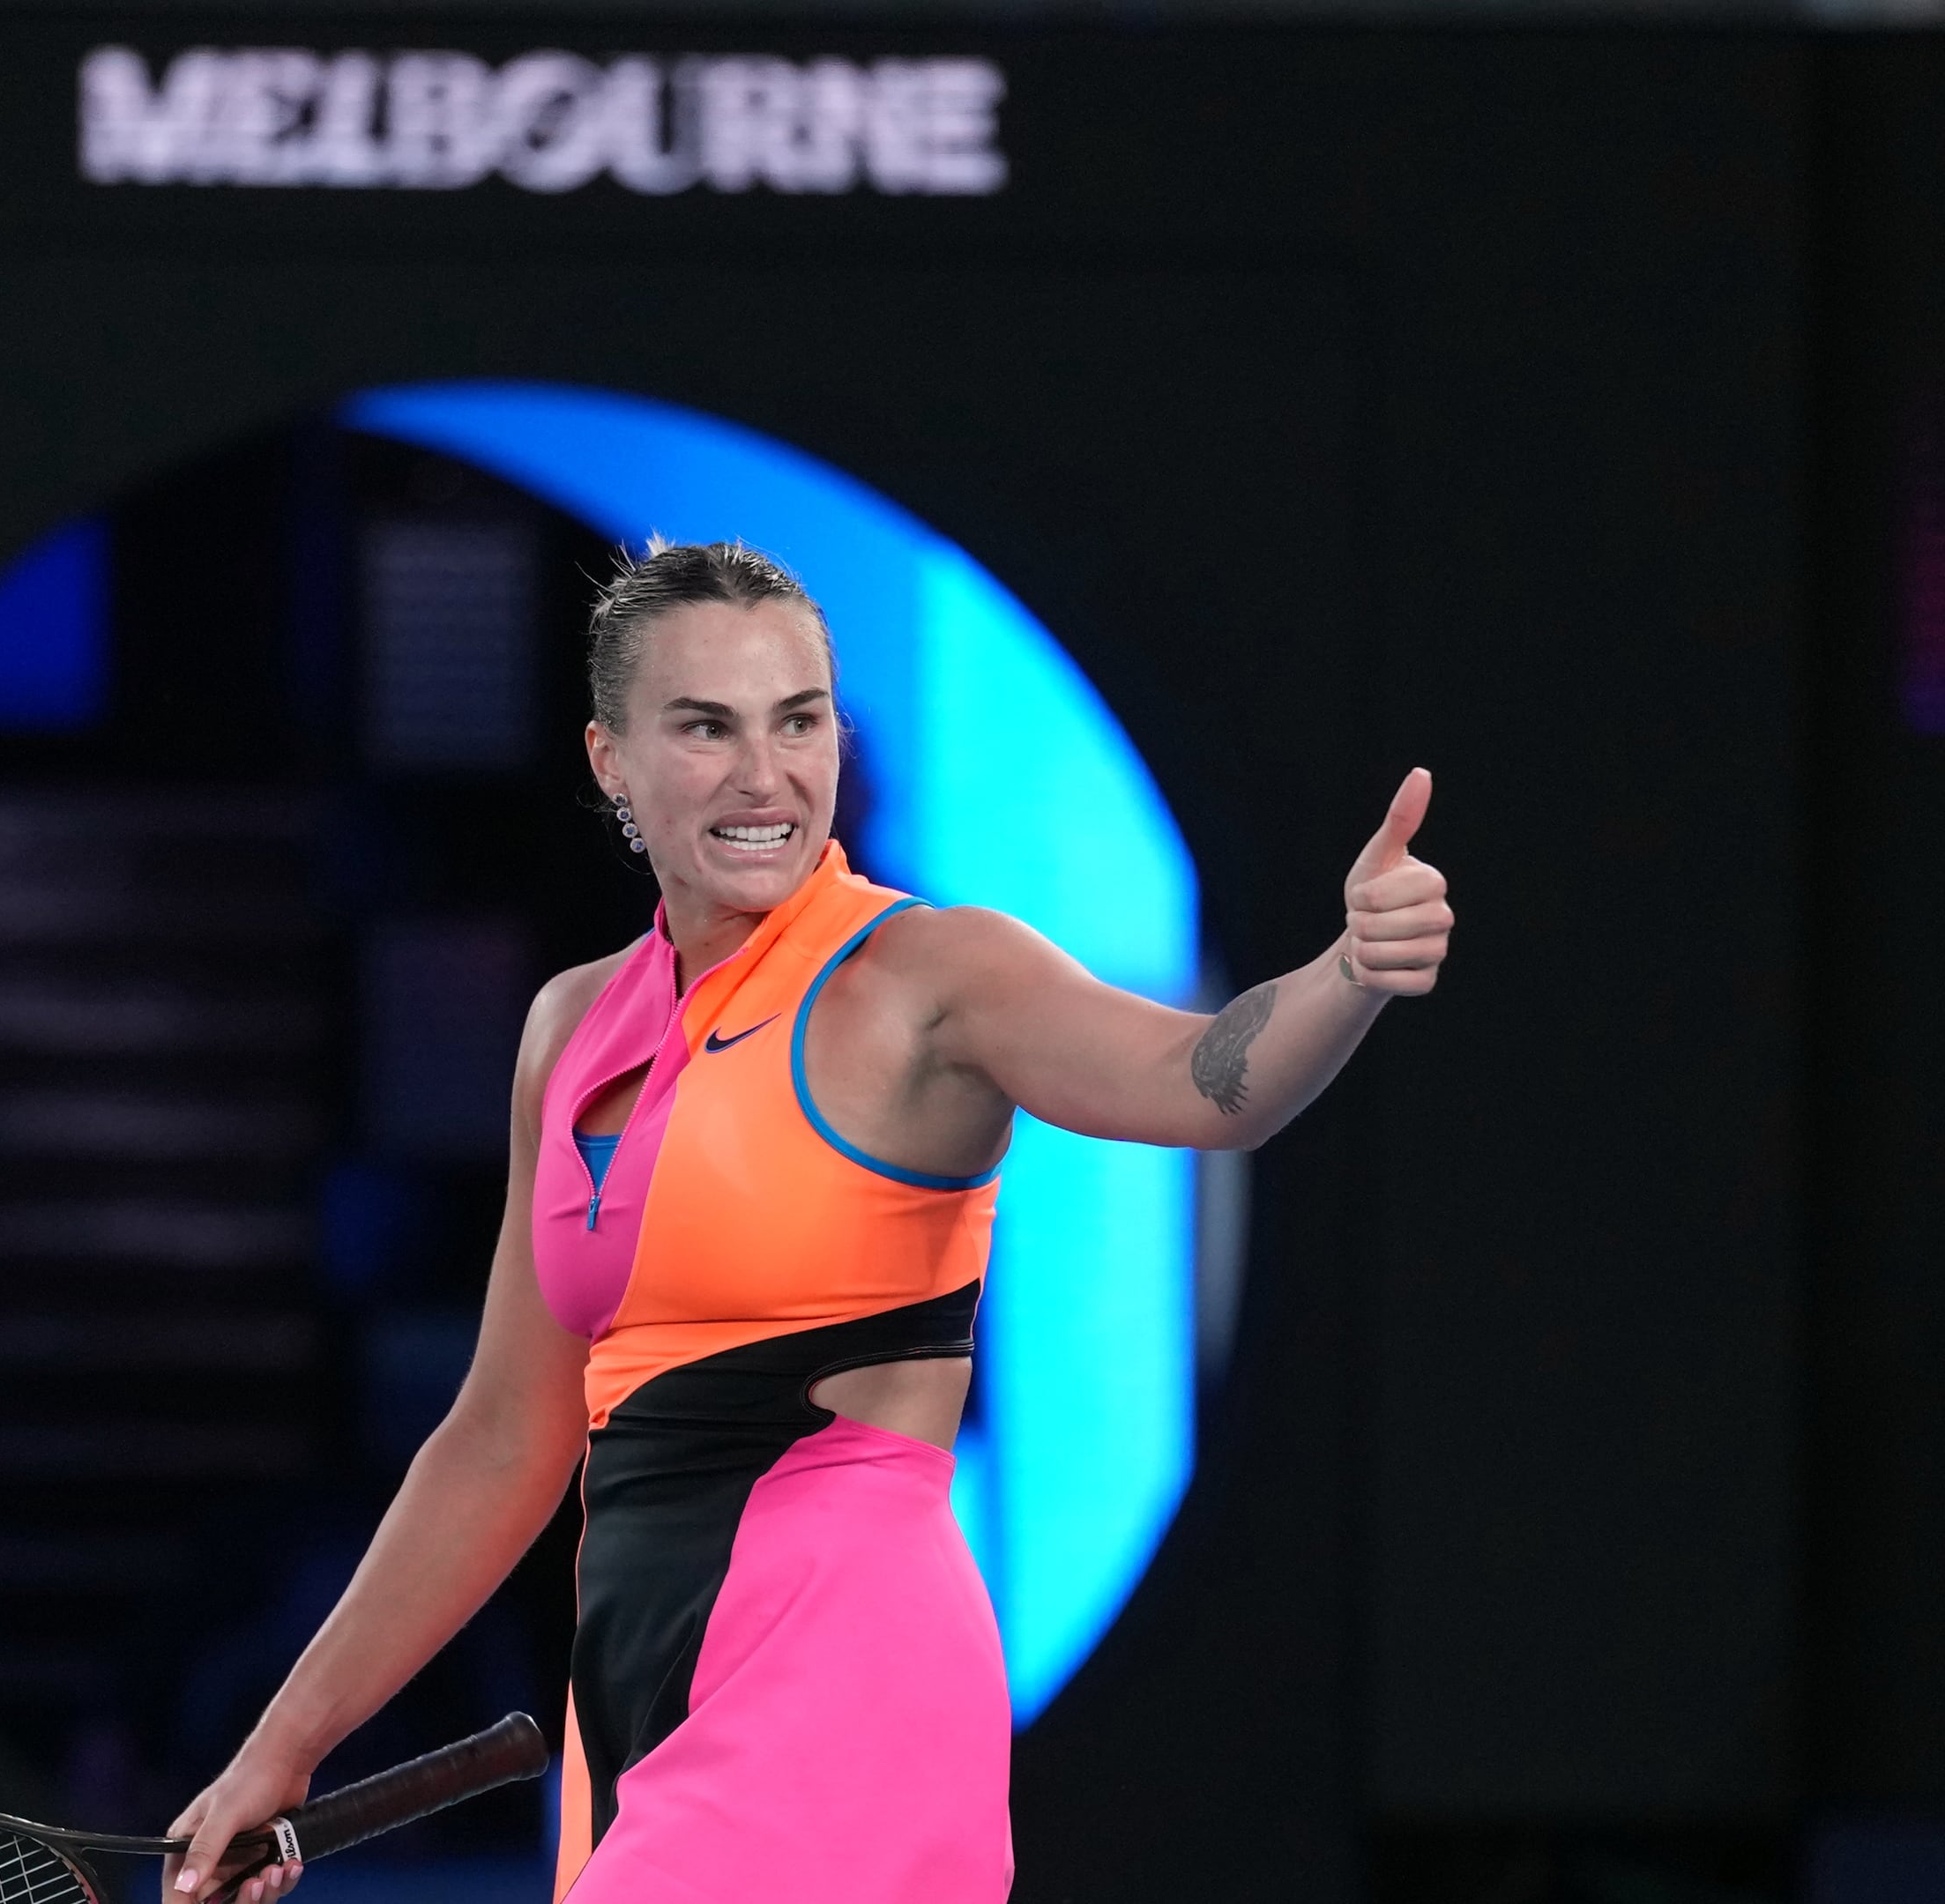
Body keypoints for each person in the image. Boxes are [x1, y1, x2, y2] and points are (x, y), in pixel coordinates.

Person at [162, 539, 1452, 1904]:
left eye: (799, 721)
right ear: (612, 760)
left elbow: (1205, 1085)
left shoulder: (930, 979)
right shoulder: (569, 1030)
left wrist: (1349, 973)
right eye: (705, 728)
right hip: (642, 1715)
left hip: (850, 1678)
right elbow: (500, 1440)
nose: (764, 775)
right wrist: (280, 1751)